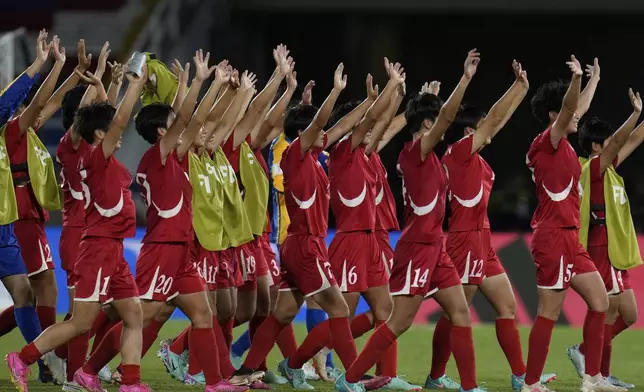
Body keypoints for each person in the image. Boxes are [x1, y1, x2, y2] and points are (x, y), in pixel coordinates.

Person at [335, 50, 484, 392]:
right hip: (417, 247)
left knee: (460, 312)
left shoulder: (427, 153)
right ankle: (350, 378)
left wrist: (413, 95)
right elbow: (443, 118)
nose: (445, 128)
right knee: (397, 322)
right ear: (428, 124)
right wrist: (464, 79)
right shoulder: (415, 153)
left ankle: (470, 386)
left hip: (437, 245)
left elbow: (429, 119)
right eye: (437, 121)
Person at [6, 60, 148, 392]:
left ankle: (129, 382)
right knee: (81, 321)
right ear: (99, 134)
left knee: (133, 314)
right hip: (96, 245)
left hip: (110, 246)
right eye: (112, 129)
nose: (119, 132)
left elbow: (105, 116)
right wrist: (134, 85)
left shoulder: (93, 153)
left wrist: (101, 84)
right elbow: (118, 118)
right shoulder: (94, 157)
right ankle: (25, 359)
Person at [233, 63, 369, 390]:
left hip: (301, 244)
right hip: (305, 244)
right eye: (314, 130)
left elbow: (338, 127)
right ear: (303, 133)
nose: (324, 134)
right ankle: (350, 379)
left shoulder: (309, 154)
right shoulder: (294, 153)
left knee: (280, 314)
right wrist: (335, 91)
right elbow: (323, 123)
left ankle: (248, 370)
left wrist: (368, 103)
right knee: (337, 309)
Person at [278, 60, 406, 390]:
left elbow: (381, 125)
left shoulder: (366, 153)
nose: (368, 130)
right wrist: (388, 91)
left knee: (384, 310)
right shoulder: (344, 152)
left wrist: (401, 98)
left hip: (371, 241)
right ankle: (302, 360)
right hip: (348, 241)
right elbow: (366, 123)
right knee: (341, 316)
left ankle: (386, 376)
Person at [432, 61, 555, 391]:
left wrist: (522, 89)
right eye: (481, 126)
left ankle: (520, 377)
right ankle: (438, 376)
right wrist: (517, 89)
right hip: (463, 240)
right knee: (457, 312)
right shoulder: (457, 153)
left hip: (483, 242)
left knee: (507, 306)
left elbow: (496, 122)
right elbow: (496, 121)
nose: (488, 130)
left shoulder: (481, 162)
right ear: (470, 132)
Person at [522, 55, 620, 392]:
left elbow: (573, 110)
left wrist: (593, 81)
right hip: (551, 237)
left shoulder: (562, 144)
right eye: (568, 110)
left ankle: (592, 379)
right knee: (549, 311)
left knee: (600, 301)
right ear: (554, 115)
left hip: (570, 238)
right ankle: (532, 383)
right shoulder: (545, 144)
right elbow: (568, 111)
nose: (578, 114)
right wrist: (576, 80)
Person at [566, 90, 644, 389]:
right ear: (597, 146)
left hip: (613, 247)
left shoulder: (607, 168)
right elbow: (625, 139)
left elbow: (633, 140)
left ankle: (588, 355)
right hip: (600, 246)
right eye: (609, 141)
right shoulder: (593, 168)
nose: (615, 144)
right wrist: (635, 114)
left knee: (627, 315)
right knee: (609, 311)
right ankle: (596, 372)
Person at [0, 27, 50, 385]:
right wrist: (36, 66)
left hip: (4, 227)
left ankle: (38, 360)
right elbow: (8, 101)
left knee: (25, 292)